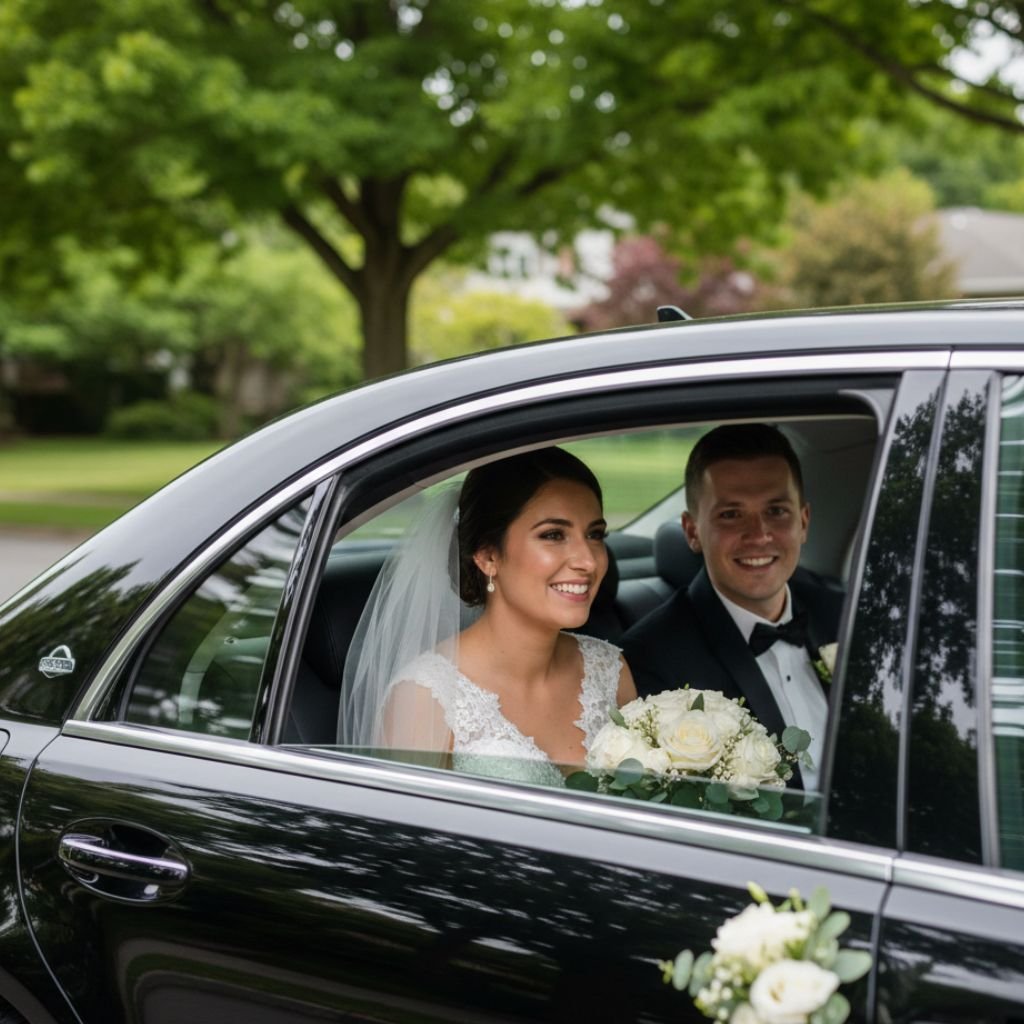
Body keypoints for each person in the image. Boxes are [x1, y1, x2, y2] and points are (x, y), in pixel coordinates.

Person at [339, 447, 637, 786]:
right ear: (487, 556)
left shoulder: (610, 670)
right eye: (553, 535)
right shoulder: (426, 696)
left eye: (595, 534)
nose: (588, 560)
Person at [620, 424, 842, 790]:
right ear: (692, 531)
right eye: (731, 515)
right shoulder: (650, 663)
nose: (758, 534)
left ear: (803, 522)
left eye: (776, 510)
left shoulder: (848, 616)